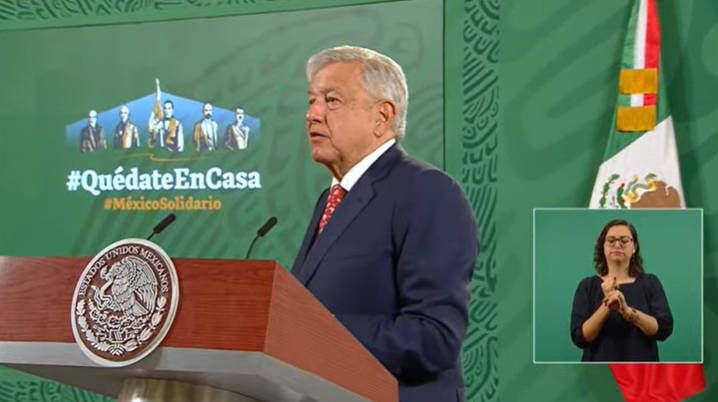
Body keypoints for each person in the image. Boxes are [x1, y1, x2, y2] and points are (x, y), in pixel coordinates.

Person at [291, 45, 478, 402]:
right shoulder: (331, 198)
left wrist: (317, 334)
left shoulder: (428, 191)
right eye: (311, 100)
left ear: (382, 116)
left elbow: (434, 338)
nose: (312, 114)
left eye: (331, 100)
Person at [570, 219, 673, 361]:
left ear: (634, 247)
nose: (617, 245)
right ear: (603, 247)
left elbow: (663, 328)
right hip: (599, 370)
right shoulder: (587, 286)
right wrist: (607, 305)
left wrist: (627, 311)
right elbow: (580, 337)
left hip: (642, 370)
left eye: (624, 240)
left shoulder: (650, 282)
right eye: (611, 240)